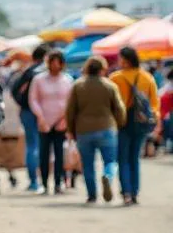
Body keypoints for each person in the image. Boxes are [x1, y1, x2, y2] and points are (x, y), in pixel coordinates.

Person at [64, 57, 125, 204]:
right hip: (106, 128)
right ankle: (108, 176)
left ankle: (92, 195)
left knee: (88, 164)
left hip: (83, 130)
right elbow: (119, 108)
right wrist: (120, 124)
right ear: (102, 69)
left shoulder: (78, 86)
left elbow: (70, 110)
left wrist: (71, 129)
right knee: (111, 161)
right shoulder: (109, 85)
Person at [108, 46, 159, 205]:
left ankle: (127, 193)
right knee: (134, 158)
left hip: (122, 122)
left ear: (125, 60)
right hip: (141, 121)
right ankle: (135, 192)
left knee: (122, 159)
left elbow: (110, 104)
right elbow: (154, 105)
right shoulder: (147, 77)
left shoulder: (115, 78)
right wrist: (153, 120)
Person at [28, 49, 74, 195]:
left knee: (60, 154)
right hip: (44, 122)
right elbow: (33, 99)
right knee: (43, 153)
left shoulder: (67, 80)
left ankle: (58, 183)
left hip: (61, 122)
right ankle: (45, 183)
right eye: (52, 62)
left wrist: (65, 119)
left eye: (57, 63)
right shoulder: (39, 79)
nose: (55, 66)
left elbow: (71, 102)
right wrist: (40, 118)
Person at [11, 46, 49, 193]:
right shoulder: (45, 72)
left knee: (32, 146)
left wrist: (23, 103)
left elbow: (15, 90)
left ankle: (34, 181)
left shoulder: (28, 72)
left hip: (27, 112)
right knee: (46, 146)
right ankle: (51, 180)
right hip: (46, 113)